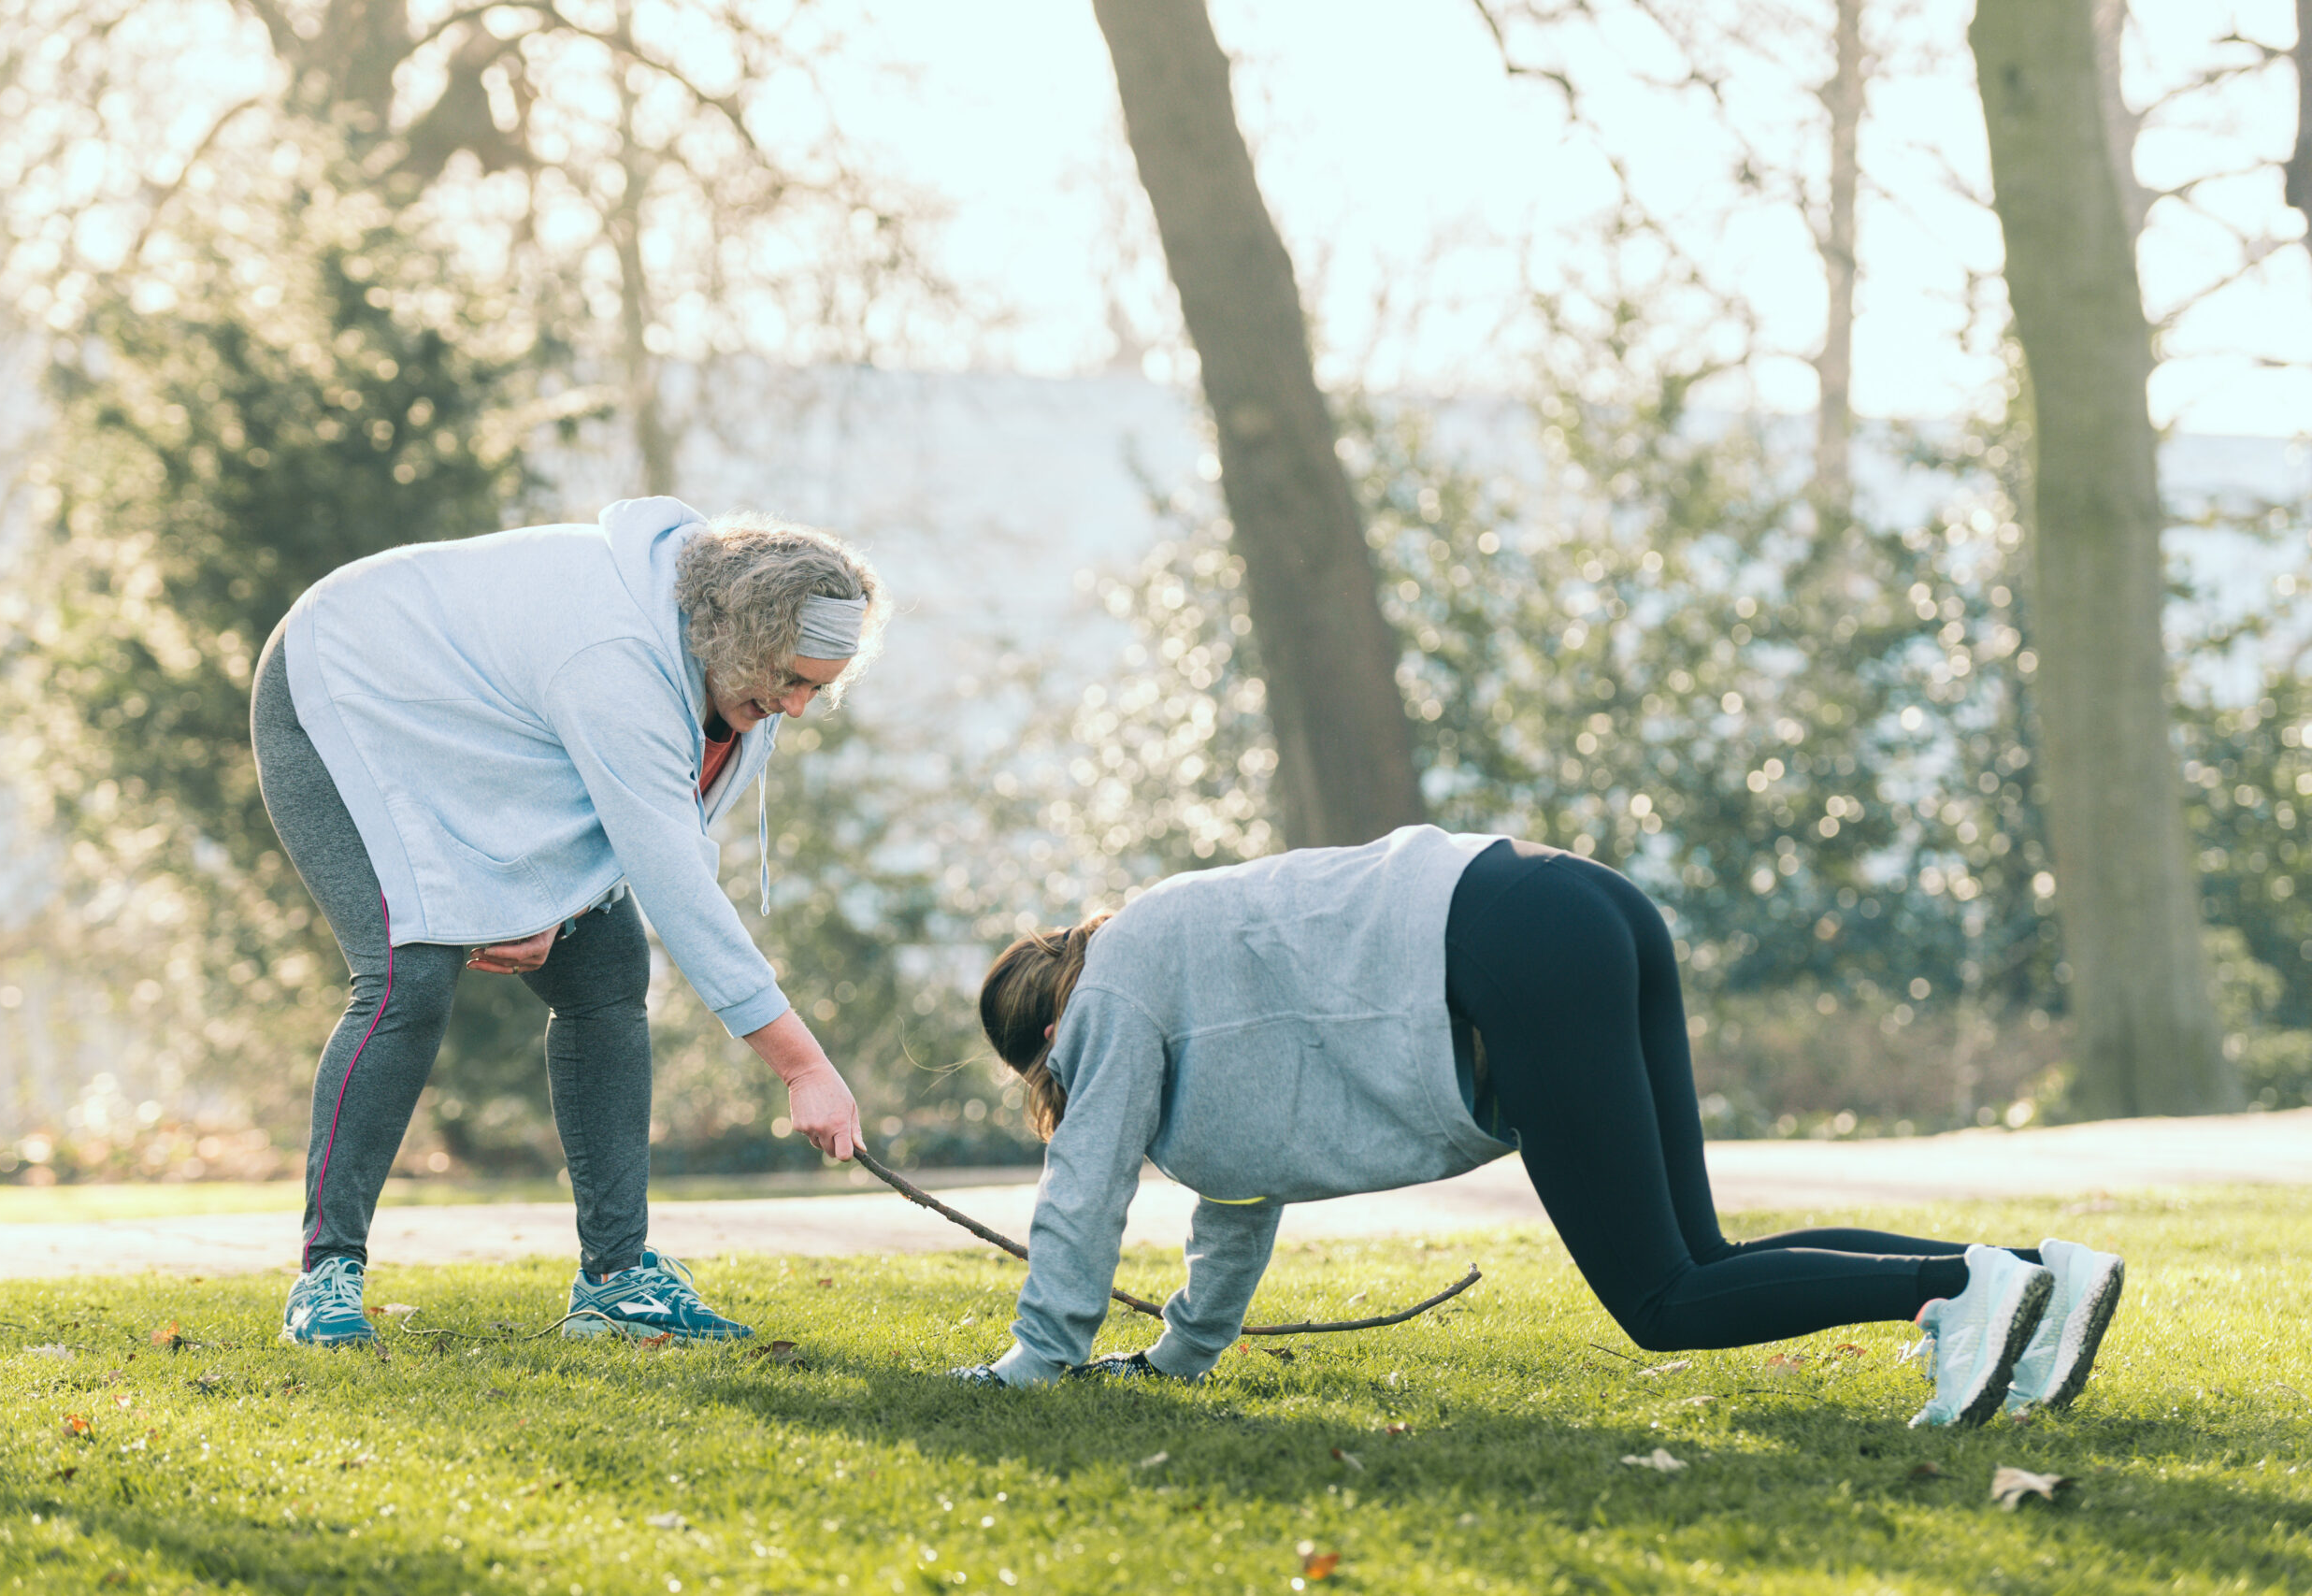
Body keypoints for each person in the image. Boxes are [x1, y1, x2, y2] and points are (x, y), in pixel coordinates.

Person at [955, 827, 2124, 1428]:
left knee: (1659, 1303)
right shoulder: (1185, 954)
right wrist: (1182, 1356)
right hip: (1576, 899)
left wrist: (1038, 1359)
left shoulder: (1107, 997)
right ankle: (2033, 1280)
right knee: (1698, 1261)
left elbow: (1086, 1182)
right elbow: (1240, 1198)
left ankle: (1957, 1289)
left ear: (1048, 1038)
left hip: (1508, 946)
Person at [252, 496, 886, 1349]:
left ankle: (616, 1278)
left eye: (818, 687)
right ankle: (325, 1278)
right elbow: (678, 883)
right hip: (343, 685)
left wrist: (559, 893)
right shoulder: (618, 655)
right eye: (791, 681)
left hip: (481, 734)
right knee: (411, 969)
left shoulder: (734, 672)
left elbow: (650, 818)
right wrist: (802, 1067)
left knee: (606, 969)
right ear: (738, 640)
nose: (799, 707)